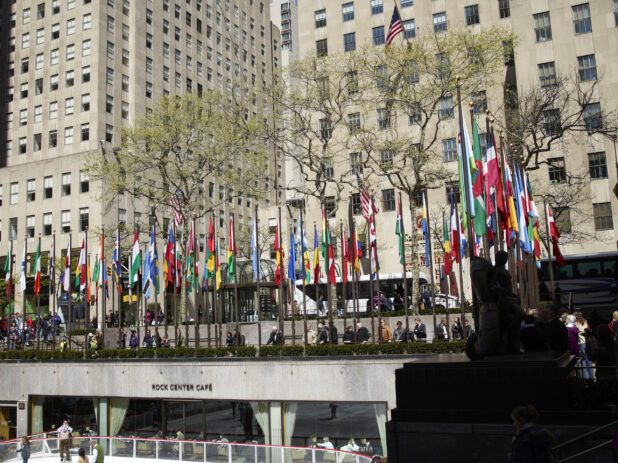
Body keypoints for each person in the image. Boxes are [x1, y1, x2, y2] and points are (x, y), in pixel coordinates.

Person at [574, 311, 593, 379]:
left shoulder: (575, 324)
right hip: (587, 343)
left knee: (583, 361)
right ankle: (591, 377)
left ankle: (584, 378)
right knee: (589, 360)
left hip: (580, 343)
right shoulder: (586, 321)